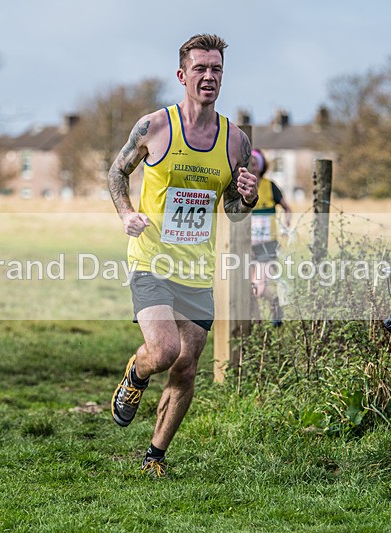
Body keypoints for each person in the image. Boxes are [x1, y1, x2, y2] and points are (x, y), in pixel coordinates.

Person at [107, 34, 258, 478]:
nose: (209, 76)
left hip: (196, 267)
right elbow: (117, 171)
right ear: (182, 75)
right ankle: (137, 372)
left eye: (216, 70)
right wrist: (126, 212)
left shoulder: (236, 142)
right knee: (166, 350)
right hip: (151, 258)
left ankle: (155, 456)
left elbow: (232, 210)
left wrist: (245, 198)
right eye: (200, 69)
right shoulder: (154, 127)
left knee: (188, 368)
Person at [249, 148, 291, 326]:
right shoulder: (240, 187)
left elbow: (287, 208)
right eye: (248, 162)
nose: (252, 165)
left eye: (255, 162)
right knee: (249, 288)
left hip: (267, 244)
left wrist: (285, 226)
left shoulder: (270, 186)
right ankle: (257, 326)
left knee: (260, 287)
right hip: (247, 245)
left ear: (260, 165)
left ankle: (274, 303)